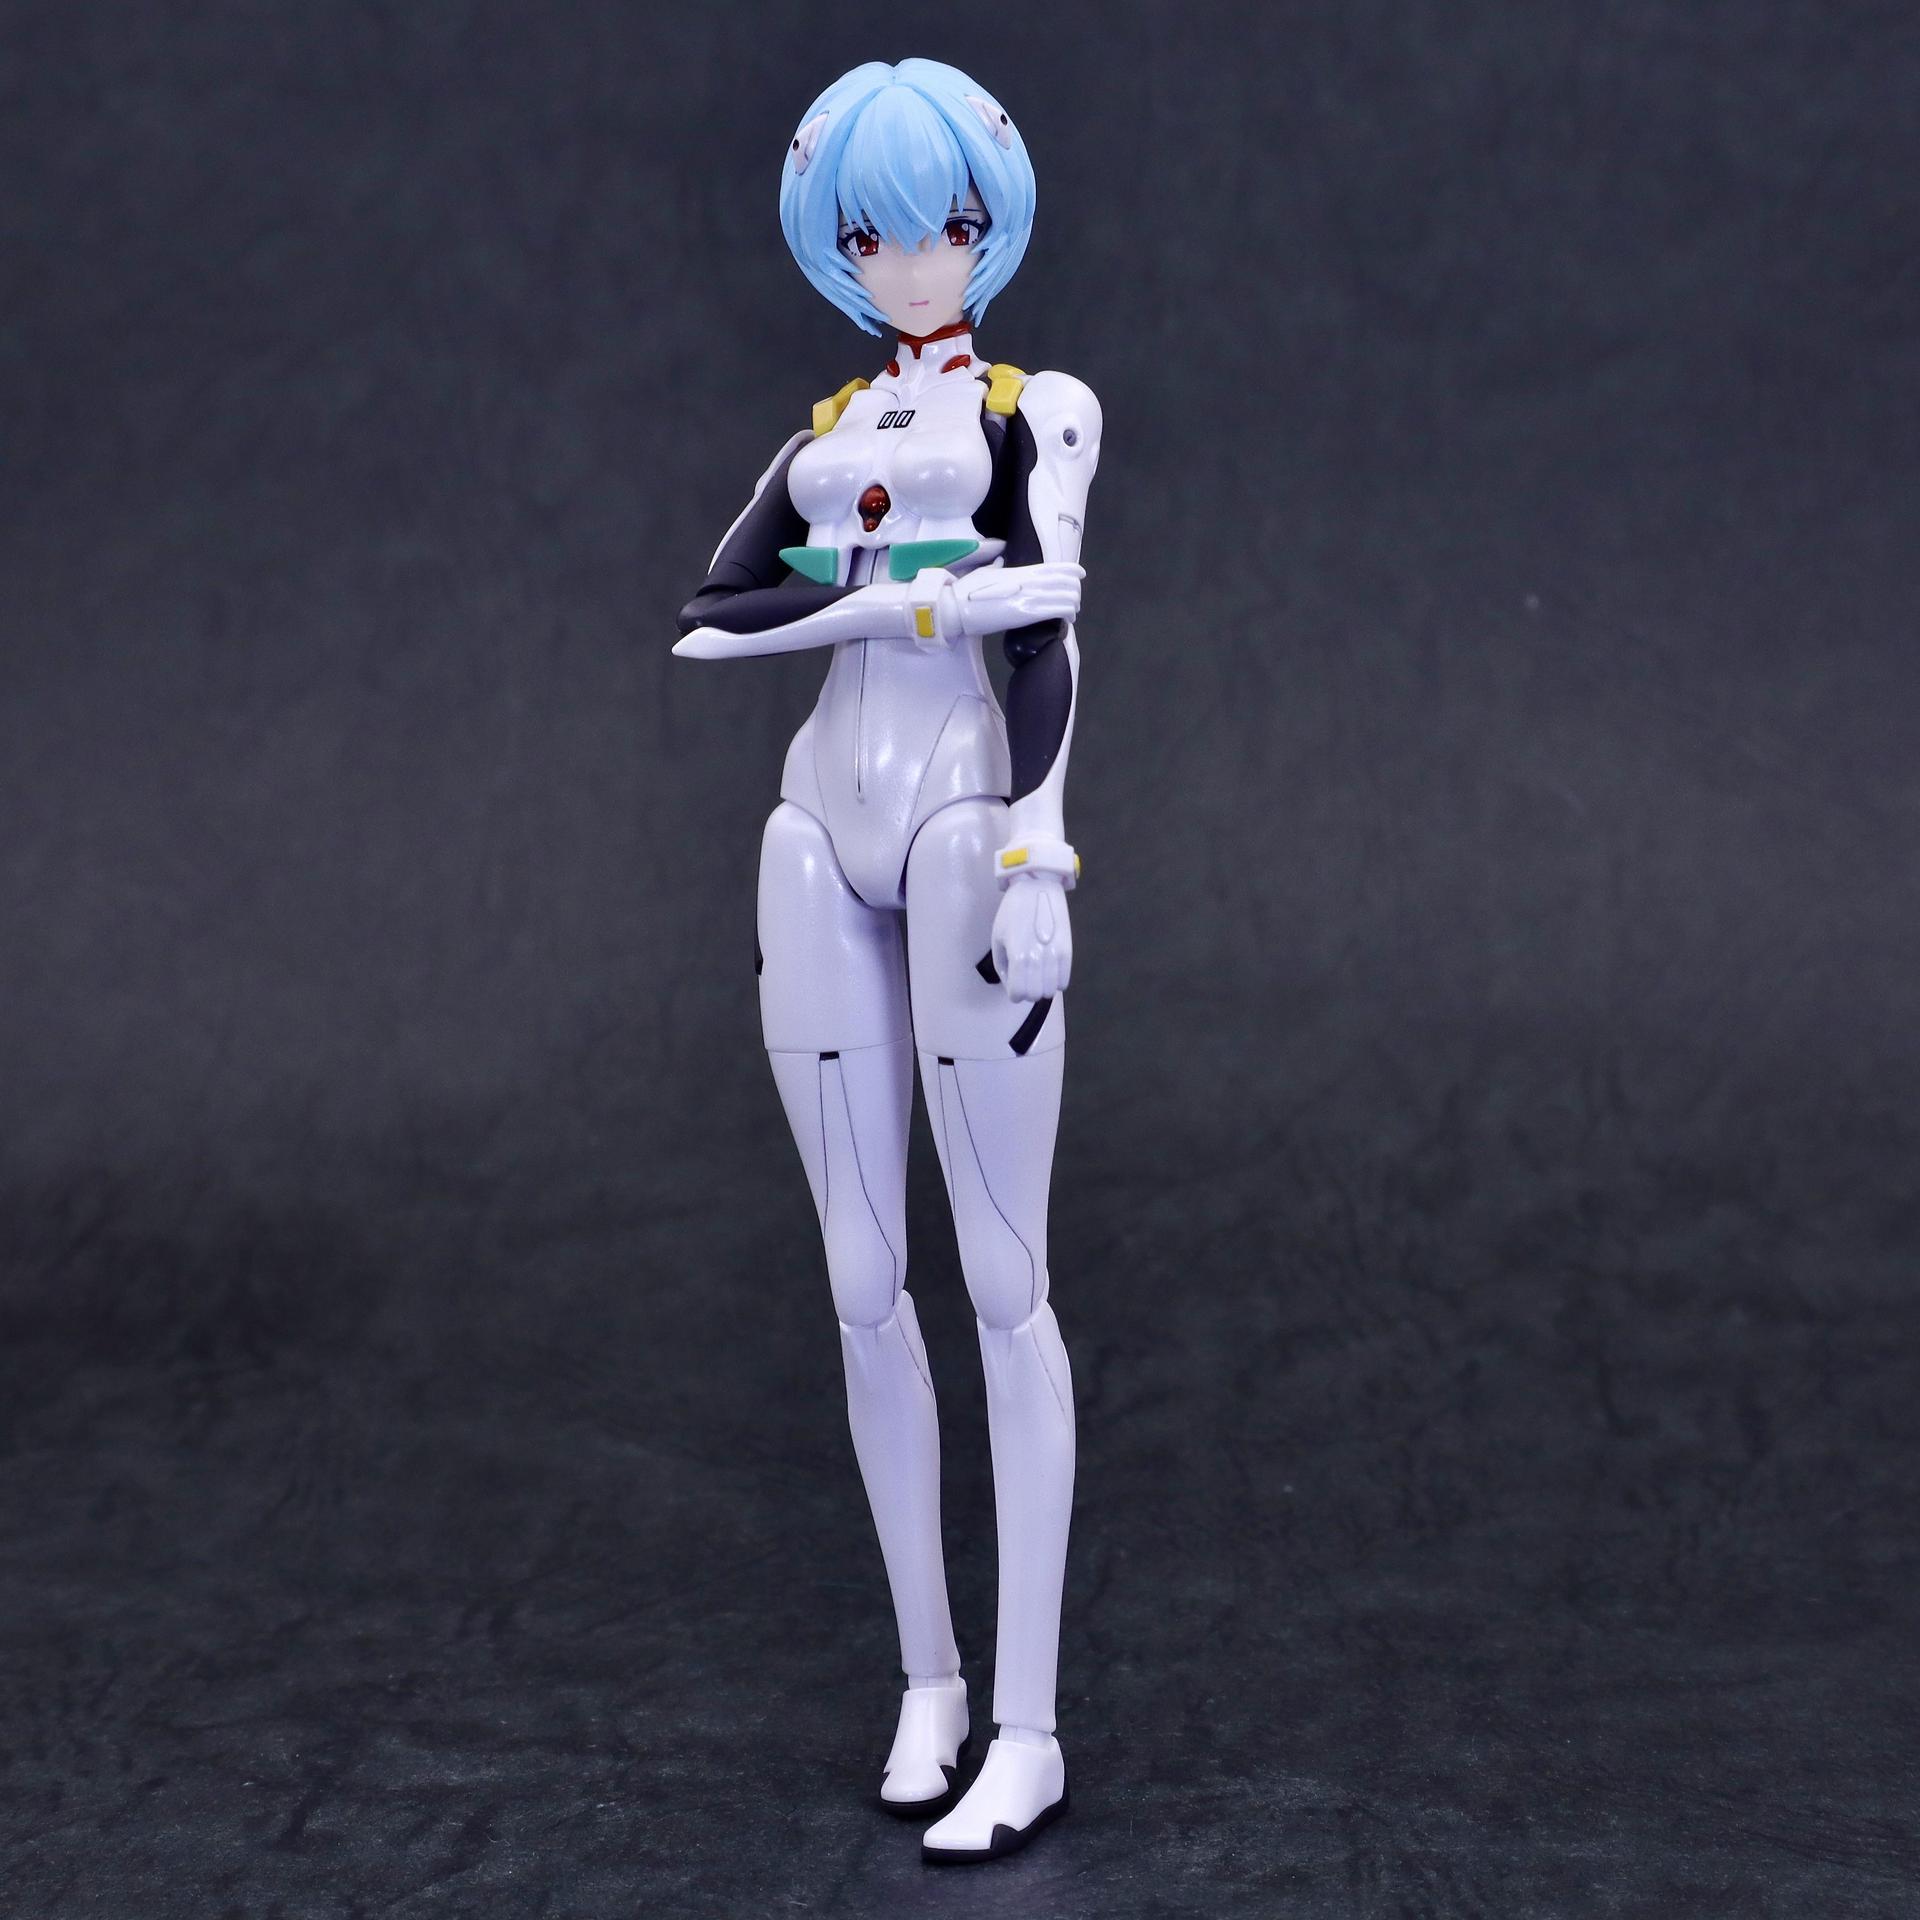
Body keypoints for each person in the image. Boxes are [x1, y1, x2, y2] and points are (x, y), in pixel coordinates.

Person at [674, 57, 1102, 1864]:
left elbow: (1051, 632)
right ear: (832, 243)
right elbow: (714, 612)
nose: (912, 259)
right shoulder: (829, 425)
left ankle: (1029, 1724)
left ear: (988, 224)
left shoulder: (1033, 409)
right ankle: (928, 1677)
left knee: (1003, 1277)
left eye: (942, 224)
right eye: (870, 233)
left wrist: (1040, 852)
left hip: (958, 819)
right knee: (863, 1275)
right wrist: (913, 596)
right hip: (816, 822)